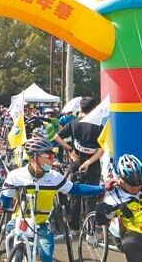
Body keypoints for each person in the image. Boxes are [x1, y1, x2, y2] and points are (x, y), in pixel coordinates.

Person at [0, 137, 104, 262]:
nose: (52, 160)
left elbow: (76, 189)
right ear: (34, 157)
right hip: (21, 221)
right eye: (49, 156)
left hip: (43, 224)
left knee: (46, 257)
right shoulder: (15, 176)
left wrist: (101, 188)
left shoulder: (54, 177)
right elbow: (4, 200)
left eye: (53, 156)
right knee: (13, 249)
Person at [95, 154, 142, 262]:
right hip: (139, 238)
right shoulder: (113, 196)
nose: (136, 187)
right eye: (132, 185)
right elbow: (101, 220)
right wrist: (102, 204)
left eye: (139, 183)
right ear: (121, 179)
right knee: (129, 243)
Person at [53, 96, 104, 234]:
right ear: (94, 109)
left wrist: (69, 149)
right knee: (90, 198)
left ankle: (75, 228)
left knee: (75, 195)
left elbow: (56, 137)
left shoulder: (73, 123)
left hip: (75, 163)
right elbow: (101, 149)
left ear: (81, 108)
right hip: (92, 165)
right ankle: (89, 231)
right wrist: (89, 161)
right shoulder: (98, 126)